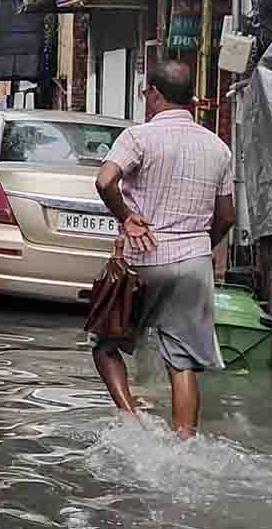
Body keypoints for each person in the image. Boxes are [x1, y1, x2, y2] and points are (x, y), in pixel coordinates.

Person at [94, 60, 236, 437]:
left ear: (155, 94)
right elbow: (226, 216)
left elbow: (105, 179)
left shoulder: (138, 137)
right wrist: (202, 246)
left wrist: (125, 216)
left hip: (147, 260)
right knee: (183, 361)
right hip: (194, 263)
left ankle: (131, 418)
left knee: (106, 345)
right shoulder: (218, 148)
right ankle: (186, 441)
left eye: (146, 94)